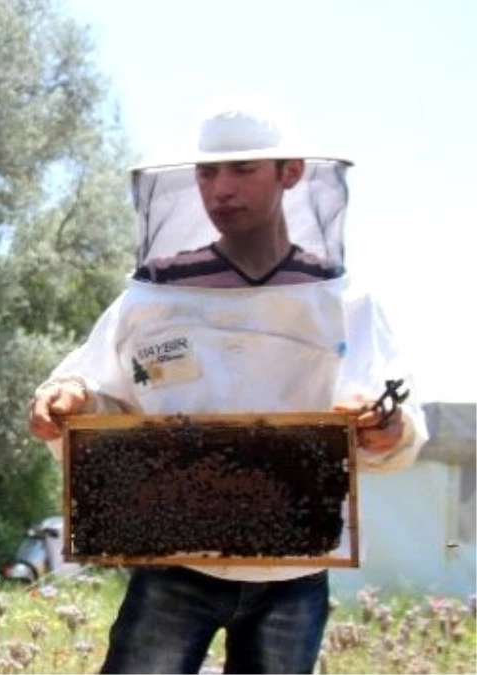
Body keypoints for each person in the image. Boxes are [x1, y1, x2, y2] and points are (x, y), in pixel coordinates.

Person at [27, 99, 427, 674]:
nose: (221, 190)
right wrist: (68, 402)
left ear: (290, 174)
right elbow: (101, 394)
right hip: (174, 563)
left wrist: (386, 428)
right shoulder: (153, 298)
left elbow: (393, 417)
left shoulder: (346, 305)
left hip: (295, 569)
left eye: (243, 170)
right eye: (208, 173)